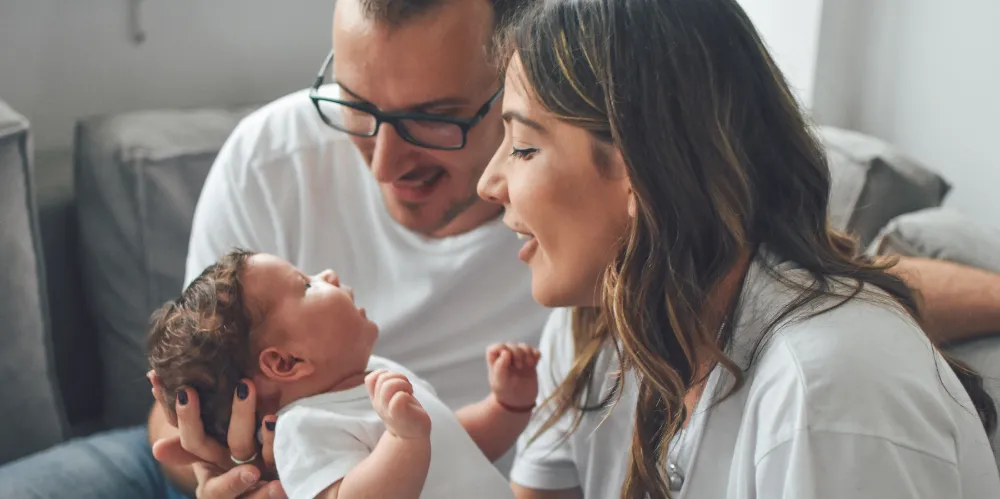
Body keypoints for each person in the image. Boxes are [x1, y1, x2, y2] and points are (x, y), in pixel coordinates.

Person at [0, 0, 998, 498]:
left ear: (642, 171)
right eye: (358, 111)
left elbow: (832, 277)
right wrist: (214, 457)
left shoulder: (824, 398)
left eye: (512, 142)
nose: (391, 162)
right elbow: (191, 380)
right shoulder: (593, 326)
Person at [475, 1, 1000, 498]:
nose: (489, 182)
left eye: (524, 146)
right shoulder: (644, 338)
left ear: (639, 169)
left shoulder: (825, 392)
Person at [147, 249, 539, 499]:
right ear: (286, 362)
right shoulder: (303, 430)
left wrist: (504, 406)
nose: (329, 274)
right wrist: (403, 441)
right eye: (306, 286)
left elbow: (454, 444)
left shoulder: (378, 374)